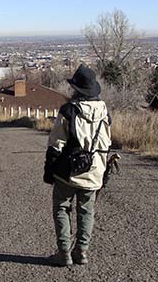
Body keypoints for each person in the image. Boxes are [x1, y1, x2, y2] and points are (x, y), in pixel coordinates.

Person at [44, 65, 111, 266]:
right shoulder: (104, 112)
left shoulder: (68, 111)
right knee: (86, 211)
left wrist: (49, 170)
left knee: (62, 208)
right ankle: (81, 251)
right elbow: (106, 144)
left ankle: (63, 252)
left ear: (76, 89)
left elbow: (56, 144)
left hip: (68, 171)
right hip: (94, 171)